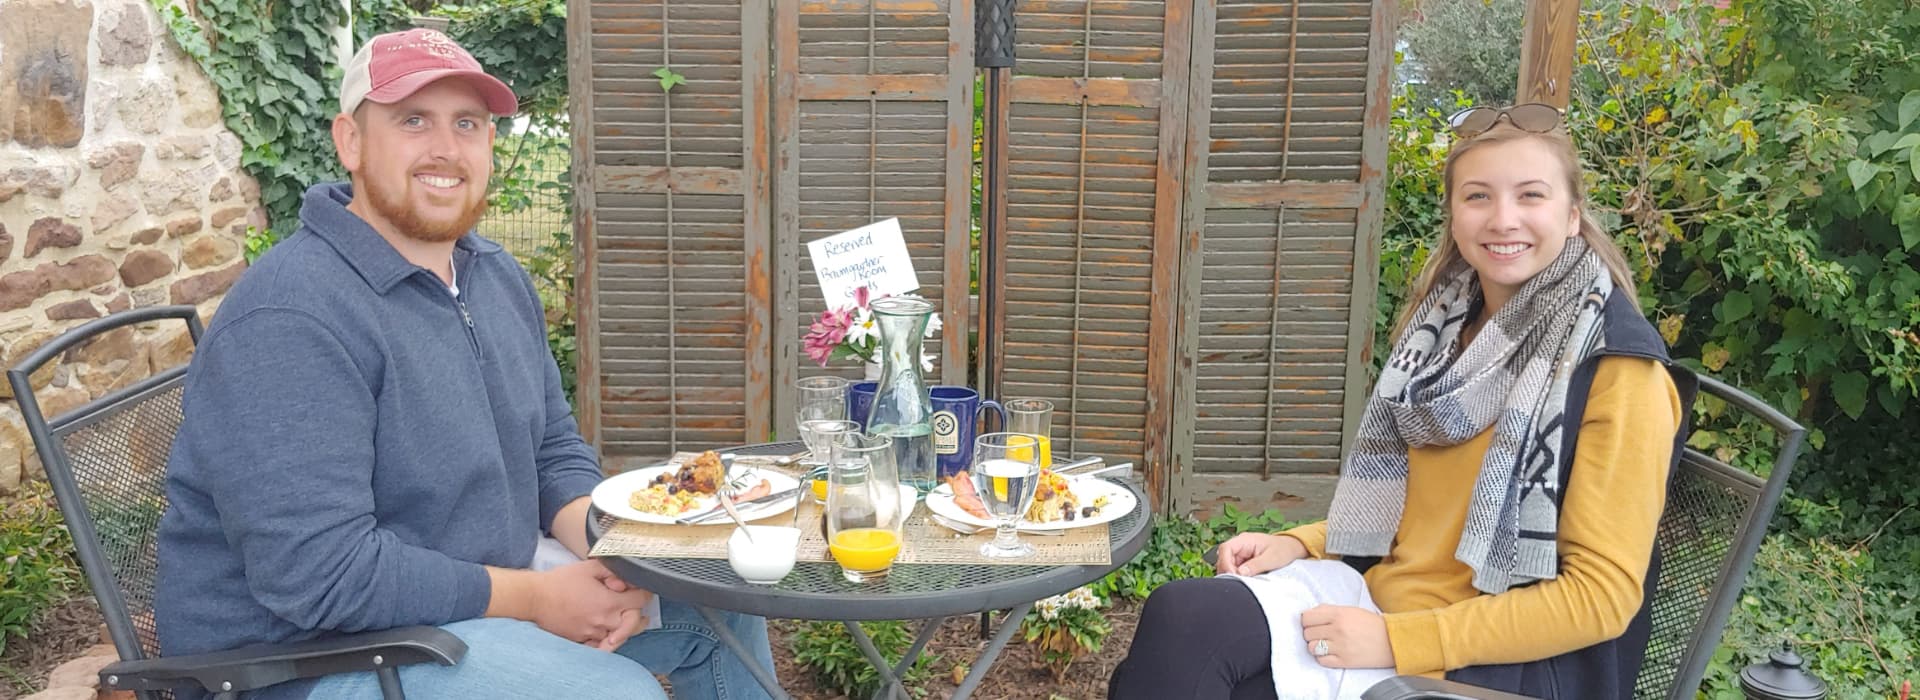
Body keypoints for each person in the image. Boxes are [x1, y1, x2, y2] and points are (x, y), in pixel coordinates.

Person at [153, 28, 775, 700]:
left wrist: (612, 557)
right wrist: (537, 599)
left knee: (720, 594)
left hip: (465, 593)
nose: (446, 149)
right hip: (303, 660)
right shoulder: (290, 319)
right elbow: (320, 577)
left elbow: (551, 451)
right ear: (351, 142)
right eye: (413, 120)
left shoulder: (491, 274)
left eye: (468, 123)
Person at [1109, 104, 1693, 699]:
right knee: (1182, 618)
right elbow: (1417, 513)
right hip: (1378, 605)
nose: (1503, 218)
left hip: (1496, 669)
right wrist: (1303, 542)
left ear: (1572, 217)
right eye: (1478, 196)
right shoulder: (1449, 331)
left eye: (1531, 195)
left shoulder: (1618, 370)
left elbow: (1600, 599)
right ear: (1455, 216)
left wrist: (1398, 641)